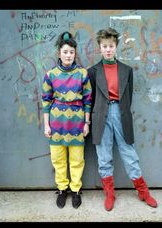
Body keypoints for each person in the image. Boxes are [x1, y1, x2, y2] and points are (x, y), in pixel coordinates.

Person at [87, 27, 158, 211]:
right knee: (104, 156)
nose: (108, 49)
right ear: (100, 48)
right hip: (100, 115)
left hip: (120, 112)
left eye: (111, 45)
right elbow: (91, 98)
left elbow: (128, 97)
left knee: (129, 153)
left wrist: (120, 110)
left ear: (116, 47)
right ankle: (110, 194)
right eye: (104, 46)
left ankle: (143, 191)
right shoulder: (93, 71)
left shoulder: (126, 70)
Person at [42, 31, 92, 209]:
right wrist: (47, 124)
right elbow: (46, 100)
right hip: (56, 123)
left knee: (77, 159)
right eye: (65, 52)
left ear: (75, 53)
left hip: (77, 123)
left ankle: (76, 190)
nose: (68, 55)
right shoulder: (51, 75)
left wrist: (87, 123)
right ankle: (62, 189)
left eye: (71, 52)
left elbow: (88, 99)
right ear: (59, 53)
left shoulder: (82, 74)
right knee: (58, 159)